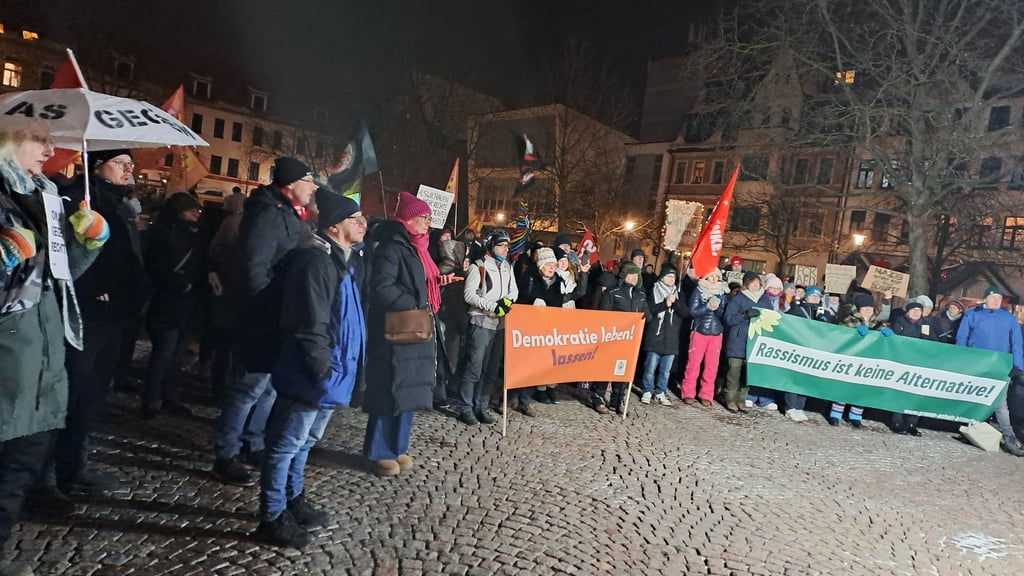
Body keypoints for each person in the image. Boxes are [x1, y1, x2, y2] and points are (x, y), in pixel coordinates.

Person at [0, 122, 106, 555]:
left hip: (40, 359)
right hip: (9, 357)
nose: (49, 148)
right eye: (37, 138)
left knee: (17, 476)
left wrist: (86, 243)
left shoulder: (45, 197)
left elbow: (57, 280)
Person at [33, 149, 147, 503]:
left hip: (115, 314)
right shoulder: (79, 198)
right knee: (68, 394)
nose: (129, 169)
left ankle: (74, 468)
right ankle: (45, 478)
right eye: (120, 162)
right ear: (96, 165)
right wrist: (95, 290)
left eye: (130, 163)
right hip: (87, 310)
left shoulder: (121, 203)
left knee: (92, 395)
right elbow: (66, 255)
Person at [254, 188, 366, 548]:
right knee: (286, 445)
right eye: (355, 219)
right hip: (311, 373)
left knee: (306, 443)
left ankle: (292, 500)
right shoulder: (317, 262)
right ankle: (271, 516)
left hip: (328, 372)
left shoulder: (339, 260)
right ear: (334, 227)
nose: (363, 224)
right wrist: (322, 371)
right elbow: (310, 323)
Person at [213, 157, 316, 486]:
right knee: (248, 387)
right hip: (263, 315)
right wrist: (263, 309)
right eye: (309, 180)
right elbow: (254, 268)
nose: (313, 187)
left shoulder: (286, 213)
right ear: (290, 184)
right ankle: (226, 453)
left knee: (269, 386)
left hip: (279, 313)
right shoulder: (268, 214)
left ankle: (252, 442)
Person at [363, 192, 454, 476]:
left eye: (429, 218)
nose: (429, 223)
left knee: (408, 391)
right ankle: (380, 451)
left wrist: (437, 281)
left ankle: (398, 447)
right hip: (397, 328)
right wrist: (416, 304)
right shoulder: (392, 248)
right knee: (390, 388)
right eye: (424, 217)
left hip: (416, 326)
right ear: (409, 219)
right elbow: (381, 288)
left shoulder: (419, 248)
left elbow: (417, 283)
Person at [142, 192, 202, 419]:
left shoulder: (195, 234)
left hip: (186, 302)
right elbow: (158, 267)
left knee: (176, 354)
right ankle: (152, 399)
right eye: (190, 209)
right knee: (163, 354)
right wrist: (179, 283)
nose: (196, 213)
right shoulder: (163, 233)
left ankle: (170, 396)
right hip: (167, 302)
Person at [517, 247, 591, 412]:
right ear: (541, 265)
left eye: (553, 264)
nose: (553, 267)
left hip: (548, 332)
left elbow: (572, 295)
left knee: (545, 363)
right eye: (549, 264)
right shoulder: (530, 277)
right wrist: (533, 302)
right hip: (529, 332)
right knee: (524, 366)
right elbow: (521, 297)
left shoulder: (558, 281)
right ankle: (514, 398)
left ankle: (528, 398)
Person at [455, 229, 517, 425]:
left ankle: (480, 405)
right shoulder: (478, 267)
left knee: (490, 370)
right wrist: (493, 306)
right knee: (474, 368)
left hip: (499, 324)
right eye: (502, 245)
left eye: (507, 246)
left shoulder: (507, 266)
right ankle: (465, 407)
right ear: (491, 246)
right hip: (481, 321)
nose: (506, 249)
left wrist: (507, 302)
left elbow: (513, 290)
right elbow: (469, 295)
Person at [956, 285, 1024, 456]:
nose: (996, 301)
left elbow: (1016, 343)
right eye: (993, 297)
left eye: (999, 298)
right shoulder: (973, 314)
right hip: (976, 364)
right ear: (985, 298)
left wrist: (1018, 365)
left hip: (1000, 367)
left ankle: (1009, 438)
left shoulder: (1008, 318)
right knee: (973, 399)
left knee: (1000, 405)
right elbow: (962, 337)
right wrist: (960, 359)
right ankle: (971, 430)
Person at [831, 291, 892, 427]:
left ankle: (855, 416)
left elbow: (883, 327)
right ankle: (836, 414)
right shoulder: (851, 319)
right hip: (852, 359)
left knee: (862, 389)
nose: (867, 311)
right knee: (845, 387)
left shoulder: (877, 322)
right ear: (859, 309)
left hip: (869, 361)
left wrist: (885, 333)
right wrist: (853, 331)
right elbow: (841, 330)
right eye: (864, 309)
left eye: (870, 309)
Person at [593, 262, 647, 414]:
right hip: (613, 337)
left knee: (622, 370)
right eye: (630, 274)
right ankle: (598, 397)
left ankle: (618, 401)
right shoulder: (613, 291)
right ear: (624, 276)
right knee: (607, 368)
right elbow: (604, 313)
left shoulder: (641, 295)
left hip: (630, 340)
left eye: (636, 275)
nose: (634, 278)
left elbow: (647, 315)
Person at [783, 286, 835, 422]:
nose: (815, 298)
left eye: (817, 297)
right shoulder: (798, 310)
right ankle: (790, 407)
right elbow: (786, 322)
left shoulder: (824, 312)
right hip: (798, 348)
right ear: (807, 297)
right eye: (812, 296)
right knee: (794, 379)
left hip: (814, 351)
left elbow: (831, 330)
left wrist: (823, 319)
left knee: (806, 380)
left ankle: (800, 406)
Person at [639, 267, 690, 405]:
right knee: (650, 367)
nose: (672, 280)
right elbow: (649, 311)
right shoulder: (653, 291)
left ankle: (660, 391)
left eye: (673, 278)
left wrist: (676, 302)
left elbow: (685, 312)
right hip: (655, 336)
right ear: (661, 278)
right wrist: (664, 304)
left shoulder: (678, 293)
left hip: (672, 338)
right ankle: (647, 390)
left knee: (665, 370)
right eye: (669, 277)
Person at [722, 272, 771, 413]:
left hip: (755, 341)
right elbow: (729, 318)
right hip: (738, 340)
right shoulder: (738, 299)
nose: (755, 285)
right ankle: (730, 397)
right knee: (734, 371)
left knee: (748, 372)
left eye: (757, 282)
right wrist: (744, 315)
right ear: (746, 284)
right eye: (752, 282)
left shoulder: (765, 299)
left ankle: (741, 397)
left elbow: (772, 318)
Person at [681, 269, 728, 407]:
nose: (713, 279)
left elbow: (723, 314)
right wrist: (707, 307)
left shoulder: (722, 293)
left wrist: (718, 307)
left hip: (716, 332)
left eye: (716, 277)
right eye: (711, 276)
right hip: (700, 331)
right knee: (693, 363)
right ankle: (688, 392)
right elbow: (693, 311)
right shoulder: (698, 291)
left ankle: (706, 394)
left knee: (711, 366)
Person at [746, 273, 785, 409]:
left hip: (777, 340)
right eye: (772, 288)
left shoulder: (784, 304)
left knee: (770, 370)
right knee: (758, 366)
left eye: (777, 289)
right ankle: (751, 395)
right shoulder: (761, 299)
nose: (774, 291)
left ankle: (766, 399)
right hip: (762, 337)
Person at [889, 300, 928, 435]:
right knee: (899, 392)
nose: (916, 313)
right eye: (913, 310)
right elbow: (894, 340)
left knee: (915, 394)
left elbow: (934, 342)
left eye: (919, 311)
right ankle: (897, 421)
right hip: (902, 362)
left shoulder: (925, 324)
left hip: (919, 364)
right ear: (907, 312)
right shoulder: (899, 322)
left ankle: (911, 423)